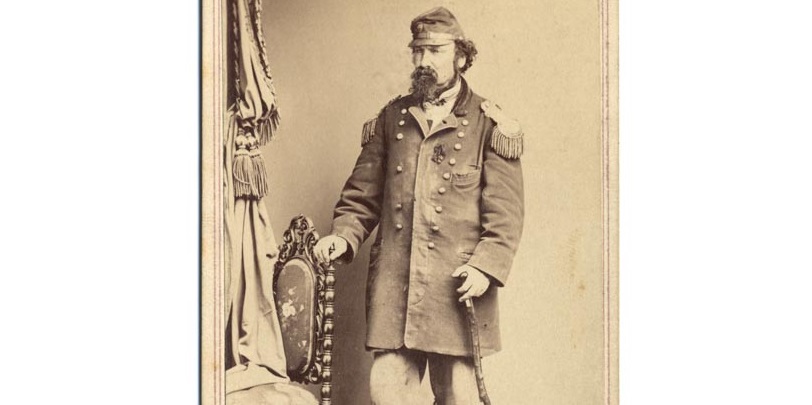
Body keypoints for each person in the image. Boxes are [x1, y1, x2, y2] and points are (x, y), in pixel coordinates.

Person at [314, 7, 524, 405]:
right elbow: (361, 196)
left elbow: (506, 216)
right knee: (387, 392)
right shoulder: (393, 118)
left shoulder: (489, 125)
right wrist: (343, 237)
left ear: (461, 56)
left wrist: (485, 266)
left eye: (435, 51)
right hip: (397, 289)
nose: (424, 60)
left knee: (460, 398)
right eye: (418, 51)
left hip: (457, 291)